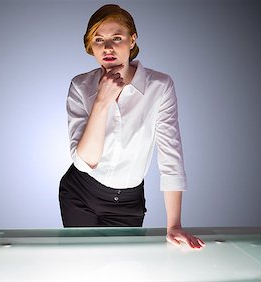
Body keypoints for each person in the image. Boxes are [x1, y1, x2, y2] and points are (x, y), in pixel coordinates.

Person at [59, 4, 205, 249]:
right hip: (80, 192)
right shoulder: (80, 86)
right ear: (90, 46)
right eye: (98, 39)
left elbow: (171, 156)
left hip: (128, 201)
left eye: (117, 38)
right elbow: (85, 162)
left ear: (132, 39)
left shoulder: (160, 86)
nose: (107, 47)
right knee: (81, 265)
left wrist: (174, 225)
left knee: (122, 267)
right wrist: (101, 102)